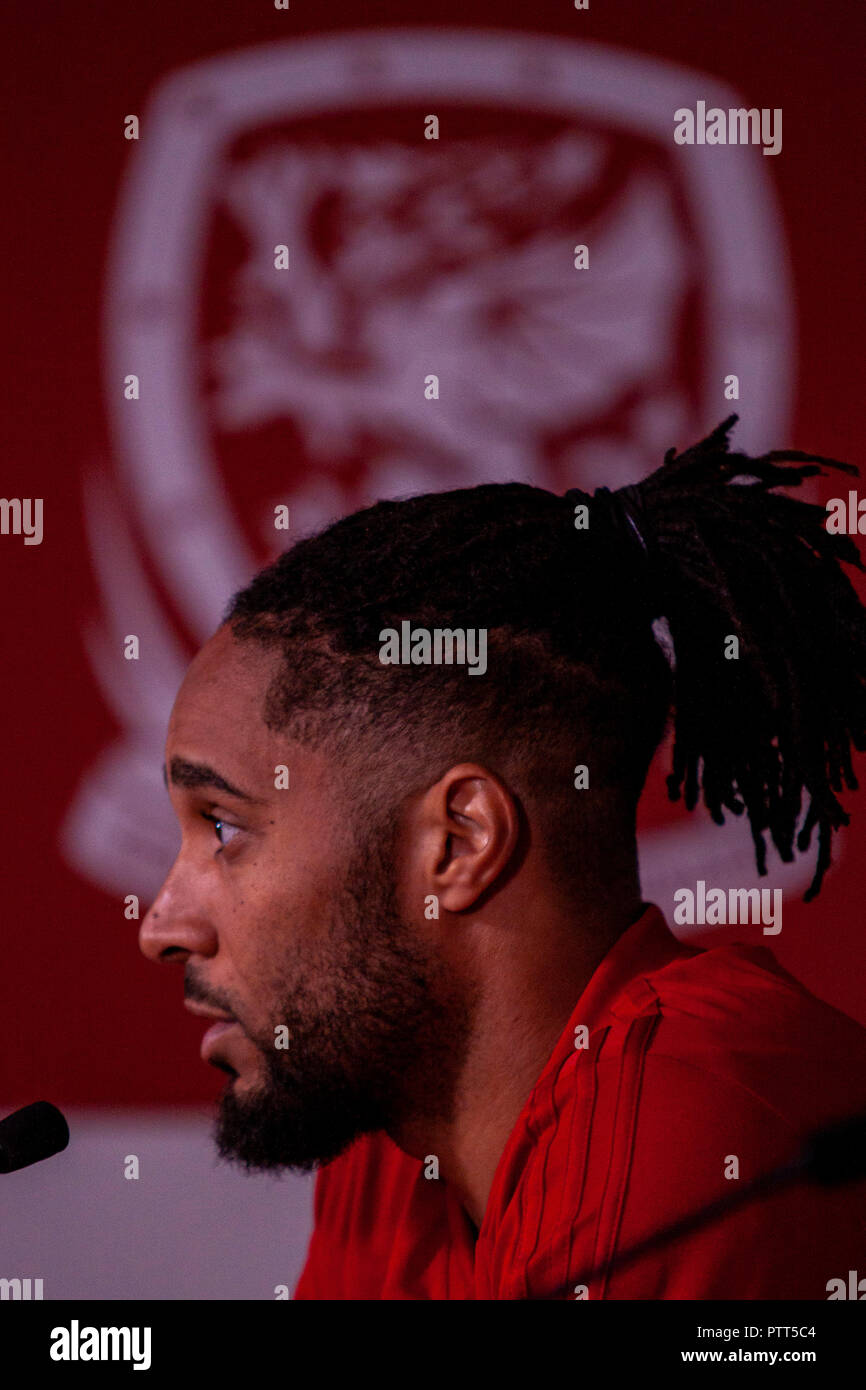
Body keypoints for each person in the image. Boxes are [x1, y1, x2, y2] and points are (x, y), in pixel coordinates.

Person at [140, 414, 866, 1298]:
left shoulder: (689, 1125)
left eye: (224, 828)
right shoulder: (394, 1141)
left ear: (460, 845)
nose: (161, 927)